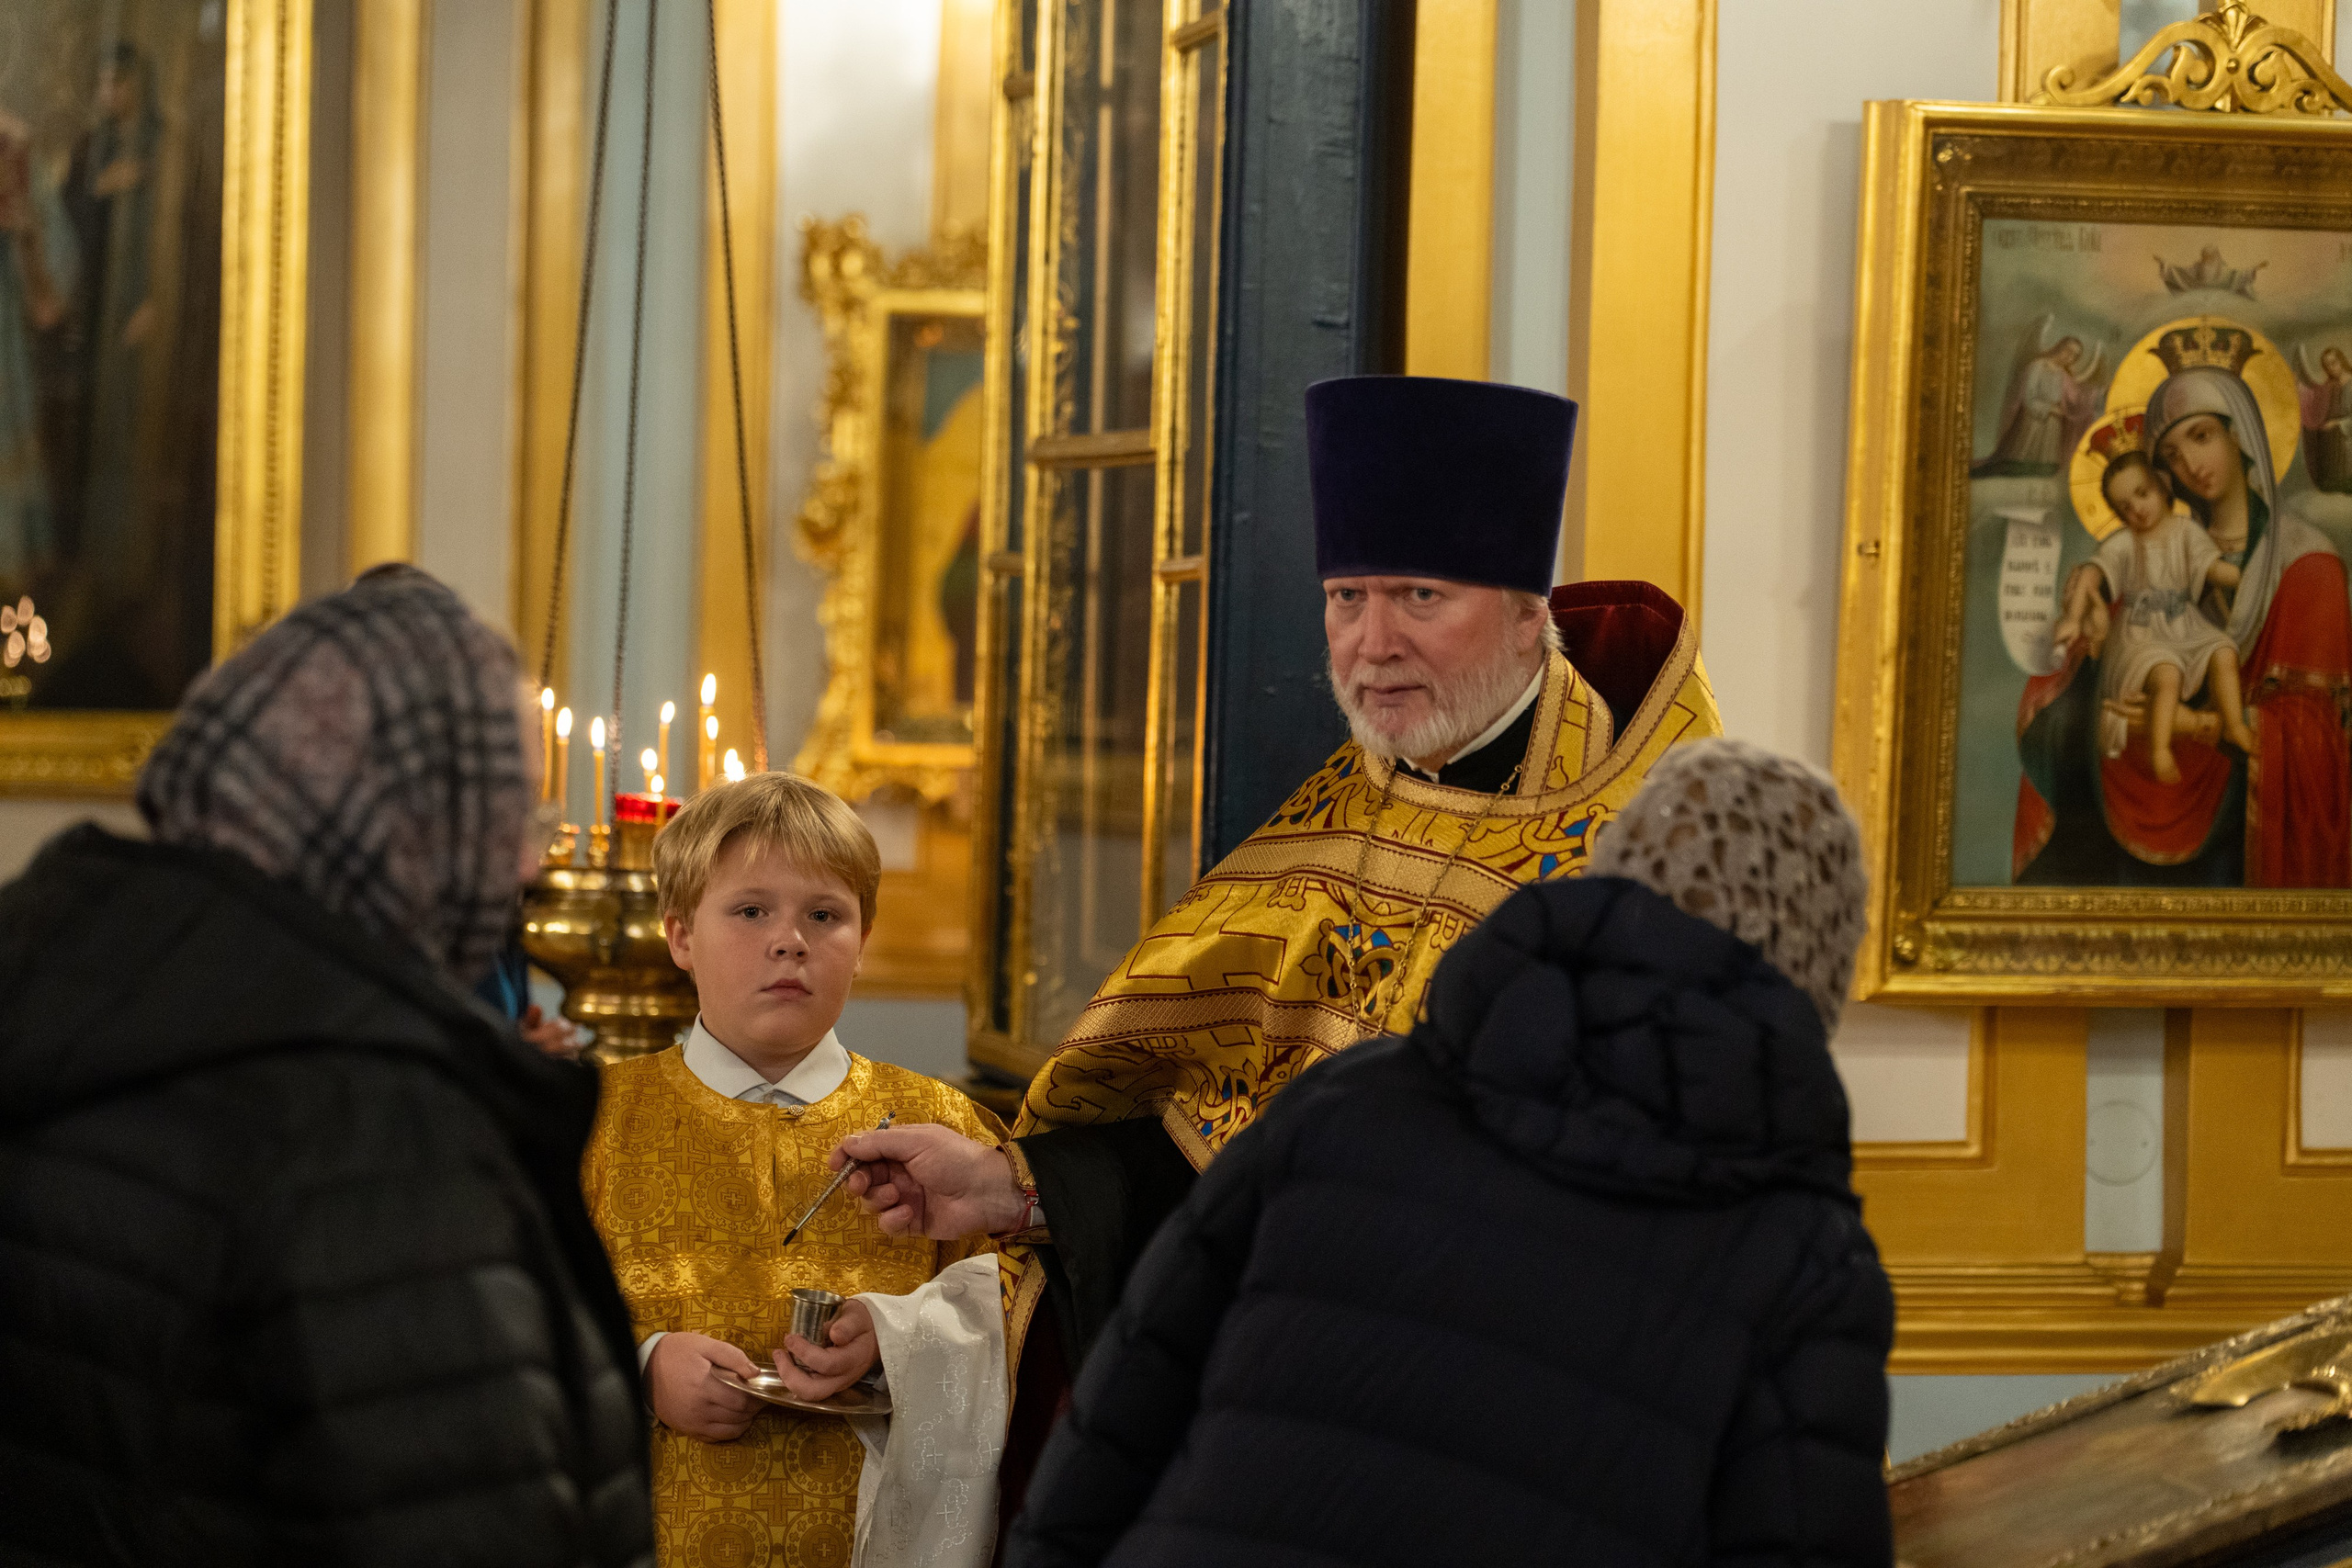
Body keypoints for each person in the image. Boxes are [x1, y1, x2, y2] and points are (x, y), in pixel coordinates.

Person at [827, 375, 1723, 1465]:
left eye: (1418, 597)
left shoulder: (1656, 858)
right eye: (1347, 597)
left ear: (1529, 614)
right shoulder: (1337, 815)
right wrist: (1015, 1190)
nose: (1371, 642)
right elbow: (1218, 1138)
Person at [1001, 738, 1894, 1567]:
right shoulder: (1804, 1254)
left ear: (1611, 881)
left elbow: (1127, 1406)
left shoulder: (1353, 1099)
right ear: (1816, 975)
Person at [0, 564, 651, 1566]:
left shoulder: (69, 995)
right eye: (508, 815)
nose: (527, 867)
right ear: (406, 823)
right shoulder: (367, 1129)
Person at [580, 770, 1030, 1568]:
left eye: (825, 915)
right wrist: (640, 1365)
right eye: (750, 910)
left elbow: (1021, 1312)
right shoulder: (593, 1122)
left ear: (863, 941)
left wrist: (894, 1344)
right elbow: (521, 1316)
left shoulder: (943, 1127)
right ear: (680, 934)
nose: (790, 939)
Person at [2017, 326, 2352, 886]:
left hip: (2238, 827)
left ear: (2240, 434)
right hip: (2136, 804)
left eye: (2202, 436)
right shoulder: (2156, 548)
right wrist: (2088, 642)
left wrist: (2191, 726)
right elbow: (2097, 673)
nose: (2192, 463)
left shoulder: (2307, 565)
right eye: (2171, 453)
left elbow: (2320, 742)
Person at [2052, 444, 2252, 783]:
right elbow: (2090, 575)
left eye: (2142, 494)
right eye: (2124, 507)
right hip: (2140, 634)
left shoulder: (2187, 532)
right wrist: (2072, 618)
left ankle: (2233, 726)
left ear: (2162, 486)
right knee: (2166, 671)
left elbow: (2216, 571)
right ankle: (2160, 750)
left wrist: (2253, 577)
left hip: (2185, 625)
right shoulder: (2123, 543)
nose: (2137, 510)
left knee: (2223, 652)